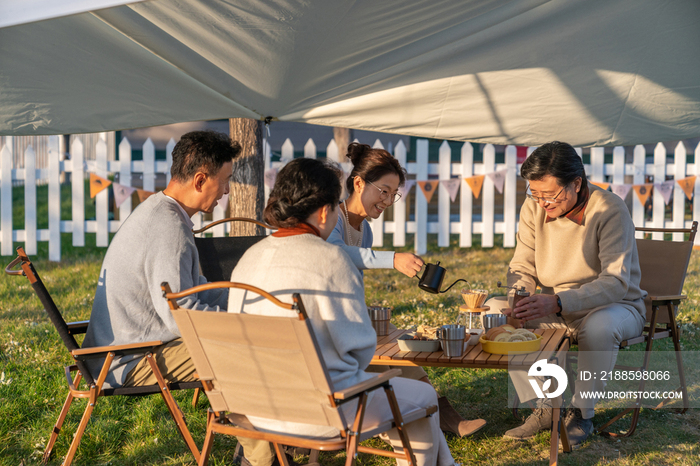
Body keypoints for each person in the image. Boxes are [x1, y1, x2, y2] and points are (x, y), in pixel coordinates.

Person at [229, 158, 458, 466]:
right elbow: (361, 349)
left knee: (407, 397)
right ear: (325, 211)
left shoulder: (247, 259)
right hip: (320, 411)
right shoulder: (332, 260)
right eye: (337, 205)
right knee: (423, 397)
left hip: (257, 409)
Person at [483, 141, 646, 446]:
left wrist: (558, 301)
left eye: (550, 195)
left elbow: (615, 282)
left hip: (614, 306)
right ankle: (545, 406)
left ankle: (582, 413)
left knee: (601, 327)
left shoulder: (609, 209)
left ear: (576, 183)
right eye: (536, 193)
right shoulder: (533, 207)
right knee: (495, 309)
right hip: (556, 305)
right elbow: (523, 264)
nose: (542, 202)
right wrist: (518, 299)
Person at [328, 142, 485, 438]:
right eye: (383, 191)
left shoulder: (365, 229)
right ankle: (430, 418)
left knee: (399, 343)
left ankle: (441, 414)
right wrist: (392, 259)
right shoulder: (332, 220)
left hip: (351, 317)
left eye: (393, 194)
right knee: (384, 351)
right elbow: (337, 256)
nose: (387, 200)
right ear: (359, 183)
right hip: (331, 324)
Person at [82, 130, 237, 388]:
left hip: (126, 351)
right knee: (248, 347)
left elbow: (192, 292)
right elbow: (180, 315)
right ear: (200, 181)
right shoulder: (169, 229)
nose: (227, 190)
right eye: (225, 181)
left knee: (246, 336)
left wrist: (245, 298)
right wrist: (236, 324)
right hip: (128, 361)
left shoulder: (160, 211)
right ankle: (252, 422)